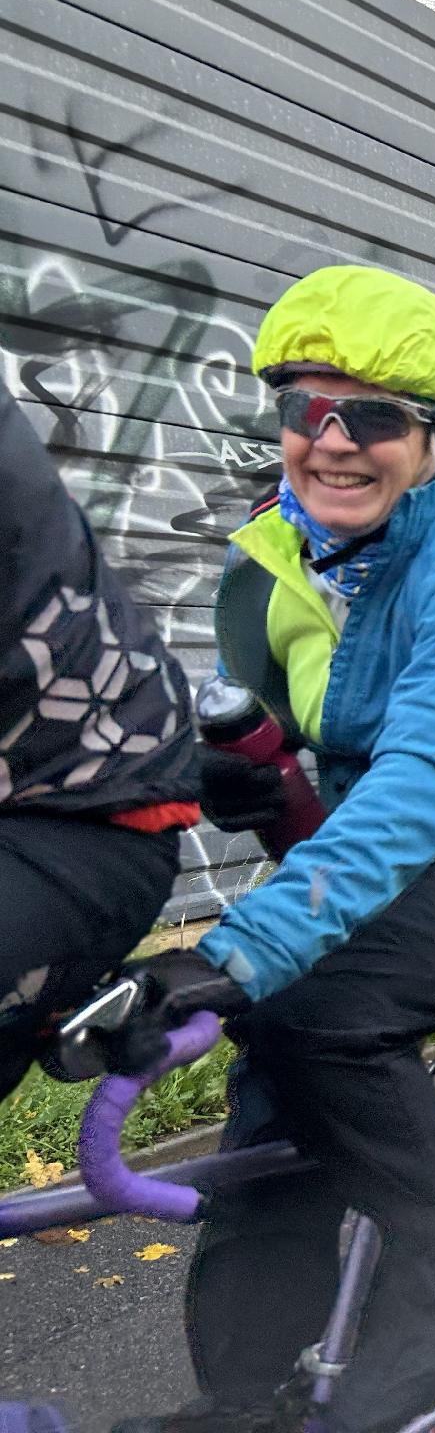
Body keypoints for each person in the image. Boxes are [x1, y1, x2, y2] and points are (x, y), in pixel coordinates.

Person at [113, 266, 435, 1433]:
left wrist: (244, 948)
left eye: (374, 419)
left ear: (431, 435)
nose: (332, 444)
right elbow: (299, 731)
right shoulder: (283, 556)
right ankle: (250, 1397)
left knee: (309, 1009)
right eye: (306, 410)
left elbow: (428, 780)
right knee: (266, 1130)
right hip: (382, 849)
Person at [0, 385, 200, 1100]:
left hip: (85, 815)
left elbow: (428, 774)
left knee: (333, 1024)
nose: (331, 440)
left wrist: (258, 951)